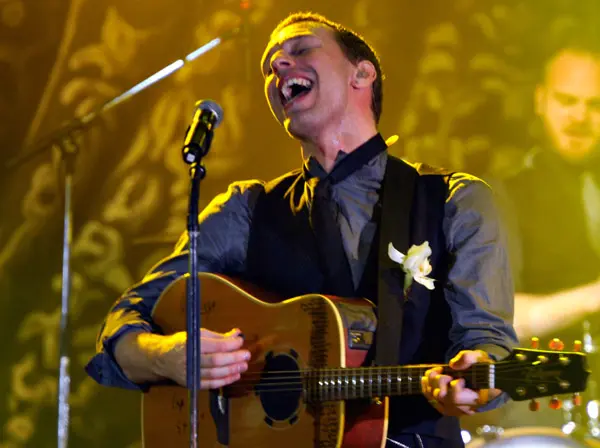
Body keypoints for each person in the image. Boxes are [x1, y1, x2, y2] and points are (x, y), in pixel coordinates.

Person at [85, 12, 518, 448]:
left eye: (301, 49)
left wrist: (476, 379)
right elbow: (130, 317)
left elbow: (488, 343)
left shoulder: (455, 200)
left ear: (361, 73)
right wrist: (166, 357)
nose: (277, 65)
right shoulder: (245, 209)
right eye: (268, 65)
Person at [503, 38, 600, 341]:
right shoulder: (504, 193)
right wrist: (591, 298)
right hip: (553, 368)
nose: (580, 116)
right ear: (541, 100)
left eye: (595, 105)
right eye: (567, 100)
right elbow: (498, 319)